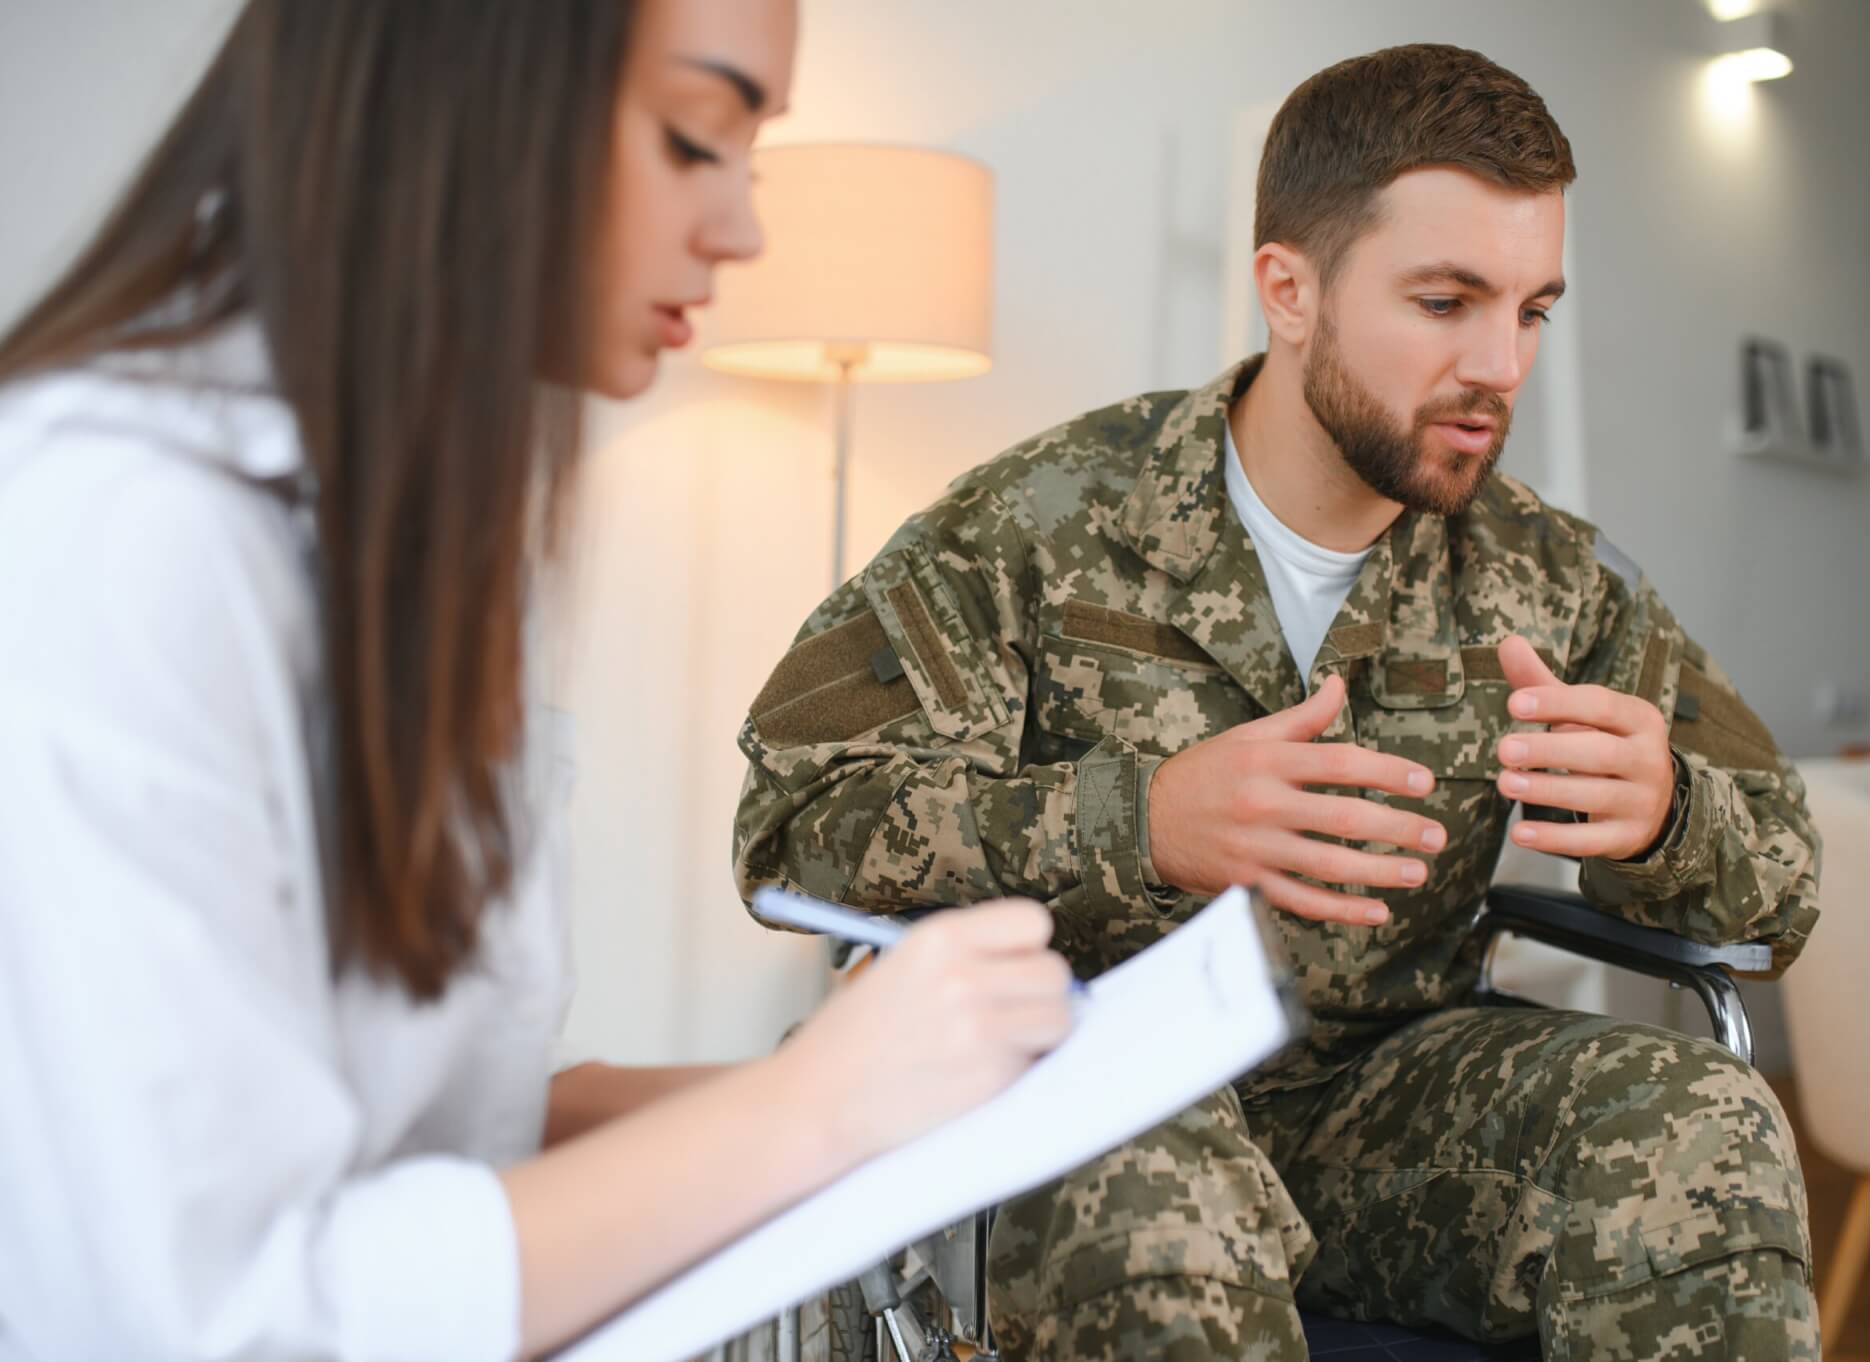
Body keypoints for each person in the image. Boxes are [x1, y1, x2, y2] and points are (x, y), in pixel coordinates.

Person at [0, 4, 1077, 1359]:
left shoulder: (418, 536)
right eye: (697, 138)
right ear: (465, 82)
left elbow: (446, 1121)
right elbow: (212, 1313)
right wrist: (812, 1111)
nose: (744, 228)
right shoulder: (114, 533)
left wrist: (842, 1086)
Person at [733, 43, 1822, 1362]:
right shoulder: (1034, 523)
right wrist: (1140, 821)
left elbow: (1782, 875)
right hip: (1100, 1084)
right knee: (1159, 1190)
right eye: (1445, 300)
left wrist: (1666, 817)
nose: (1501, 362)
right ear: (1287, 289)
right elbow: (794, 824)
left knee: (1706, 1123)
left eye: (1533, 309)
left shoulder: (1549, 578)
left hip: (1387, 1106)